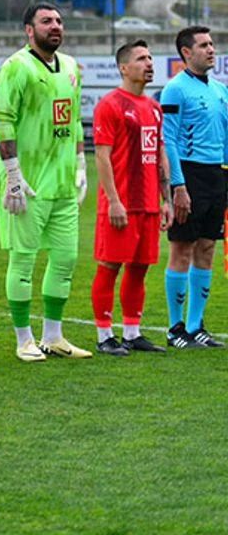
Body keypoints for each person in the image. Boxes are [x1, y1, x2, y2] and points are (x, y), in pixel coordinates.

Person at [0, 2, 91, 362]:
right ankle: (24, 339)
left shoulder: (71, 66)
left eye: (59, 21)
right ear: (29, 30)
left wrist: (80, 162)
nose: (55, 26)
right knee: (23, 260)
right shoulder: (16, 66)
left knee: (66, 258)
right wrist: (13, 174)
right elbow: (3, 120)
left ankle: (53, 337)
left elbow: (75, 118)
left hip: (63, 183)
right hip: (28, 182)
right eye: (47, 21)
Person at [91, 39, 172, 355]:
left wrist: (166, 200)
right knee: (110, 266)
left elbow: (159, 154)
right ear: (124, 68)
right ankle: (104, 335)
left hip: (149, 203)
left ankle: (132, 332)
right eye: (141, 58)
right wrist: (113, 200)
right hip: (121, 204)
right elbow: (102, 156)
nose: (149, 63)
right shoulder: (110, 104)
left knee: (140, 268)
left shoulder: (153, 107)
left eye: (150, 58)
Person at [160, 26, 228, 348]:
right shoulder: (175, 89)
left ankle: (195, 325)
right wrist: (178, 185)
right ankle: (175, 329)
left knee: (207, 248)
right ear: (186, 52)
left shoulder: (220, 90)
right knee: (182, 248)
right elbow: (169, 139)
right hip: (189, 174)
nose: (211, 49)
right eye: (203, 45)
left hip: (217, 175)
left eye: (212, 44)